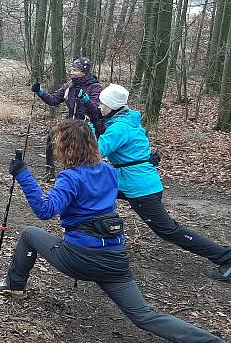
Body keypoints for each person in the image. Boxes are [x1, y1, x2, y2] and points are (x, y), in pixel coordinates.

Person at [0, 119, 225, 343]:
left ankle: (15, 286)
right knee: (144, 315)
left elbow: (45, 210)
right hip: (114, 260)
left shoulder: (70, 177)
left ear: (66, 147)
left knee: (29, 233)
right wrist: (148, 162)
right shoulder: (108, 171)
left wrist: (23, 174)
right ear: (92, 145)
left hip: (79, 258)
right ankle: (210, 340)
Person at [97, 84, 231, 282]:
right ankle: (96, 242)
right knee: (95, 195)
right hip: (127, 181)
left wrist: (82, 135)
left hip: (140, 189)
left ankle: (224, 256)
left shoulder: (120, 127)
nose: (100, 107)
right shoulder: (124, 120)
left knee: (168, 231)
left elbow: (97, 151)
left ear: (114, 107)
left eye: (103, 104)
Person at [31, 57, 103, 181]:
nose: (72, 72)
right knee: (52, 136)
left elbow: (95, 109)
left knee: (80, 149)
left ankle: (83, 176)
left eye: (75, 70)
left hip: (88, 124)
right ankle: (50, 170)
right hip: (71, 121)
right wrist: (40, 91)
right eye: (72, 69)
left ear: (84, 71)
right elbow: (53, 100)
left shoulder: (94, 87)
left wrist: (85, 99)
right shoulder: (68, 86)